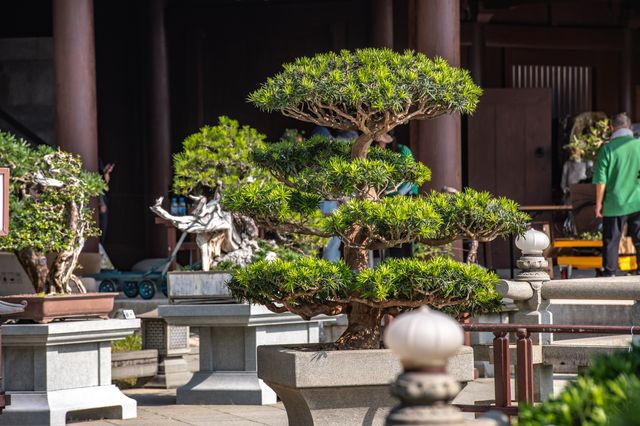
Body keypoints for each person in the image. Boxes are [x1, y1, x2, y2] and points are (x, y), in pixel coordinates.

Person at [592, 113, 640, 276]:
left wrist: (599, 204)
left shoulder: (607, 149)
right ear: (629, 127)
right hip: (638, 201)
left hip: (614, 203)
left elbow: (601, 180)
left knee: (611, 241)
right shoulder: (639, 145)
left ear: (612, 128)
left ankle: (609, 275)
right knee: (639, 239)